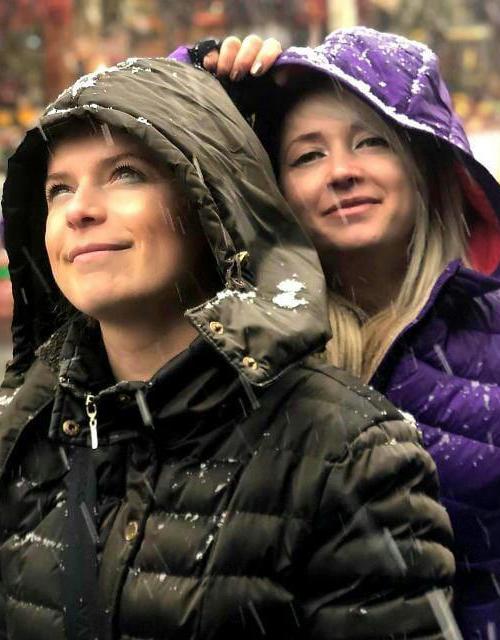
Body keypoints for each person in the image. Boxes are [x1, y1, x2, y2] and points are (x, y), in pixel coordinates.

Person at [0, 56, 453, 639]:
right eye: (59, 189)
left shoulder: (349, 451)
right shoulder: (21, 429)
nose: (80, 210)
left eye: (126, 174)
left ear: (210, 202)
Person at [172, 26, 500, 639]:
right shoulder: (246, 339)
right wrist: (198, 91)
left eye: (371, 142)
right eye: (308, 155)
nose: (342, 172)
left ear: (424, 165)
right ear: (278, 193)